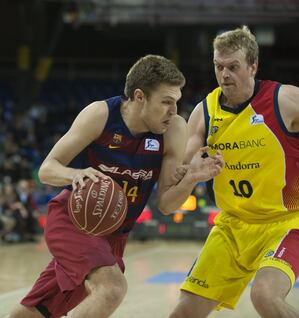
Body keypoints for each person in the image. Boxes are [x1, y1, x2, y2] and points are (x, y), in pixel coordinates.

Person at [10, 54, 223, 318]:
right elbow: (46, 169)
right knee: (112, 288)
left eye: (176, 102)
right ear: (140, 96)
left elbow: (167, 205)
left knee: (35, 311)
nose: (173, 111)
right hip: (74, 220)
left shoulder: (173, 130)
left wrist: (191, 178)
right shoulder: (101, 114)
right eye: (166, 102)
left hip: (113, 235)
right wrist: (74, 174)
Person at [169, 26, 299, 318]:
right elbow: (181, 171)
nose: (224, 75)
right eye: (218, 67)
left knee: (265, 296)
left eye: (233, 67)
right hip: (232, 227)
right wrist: (193, 172)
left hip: (284, 222)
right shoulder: (204, 112)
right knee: (184, 311)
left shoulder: (285, 100)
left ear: (253, 66)